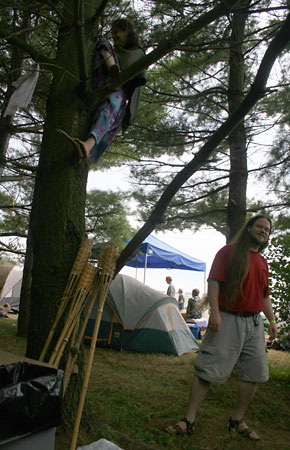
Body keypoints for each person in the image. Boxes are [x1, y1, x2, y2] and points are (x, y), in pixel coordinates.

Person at [167, 215, 278, 441]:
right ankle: (189, 420)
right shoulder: (228, 252)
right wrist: (215, 313)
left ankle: (237, 419)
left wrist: (272, 321)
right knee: (208, 369)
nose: (263, 231)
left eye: (267, 229)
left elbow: (265, 296)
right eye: (259, 226)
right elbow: (214, 282)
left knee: (254, 373)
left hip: (254, 325)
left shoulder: (262, 262)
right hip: (228, 318)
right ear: (249, 228)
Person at [59, 18, 146, 165]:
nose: (114, 37)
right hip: (102, 84)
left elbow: (134, 75)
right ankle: (113, 68)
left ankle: (88, 145)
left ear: (127, 31)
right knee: (104, 43)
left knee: (107, 114)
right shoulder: (111, 49)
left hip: (118, 92)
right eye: (112, 33)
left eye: (117, 32)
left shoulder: (137, 53)